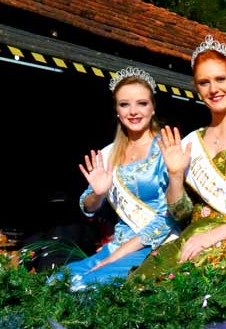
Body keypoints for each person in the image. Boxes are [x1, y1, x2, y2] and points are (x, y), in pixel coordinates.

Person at [132, 35, 226, 277]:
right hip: (194, 237)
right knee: (143, 281)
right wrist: (176, 175)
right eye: (204, 82)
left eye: (220, 79)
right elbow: (181, 215)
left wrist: (211, 237)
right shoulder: (193, 141)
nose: (213, 89)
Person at [64, 67, 177, 290]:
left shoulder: (167, 149)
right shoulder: (108, 154)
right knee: (58, 282)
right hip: (118, 244)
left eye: (141, 103)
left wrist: (114, 257)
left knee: (86, 287)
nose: (133, 111)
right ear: (117, 111)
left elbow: (170, 217)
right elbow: (87, 206)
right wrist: (98, 194)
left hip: (155, 246)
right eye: (124, 104)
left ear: (153, 107)